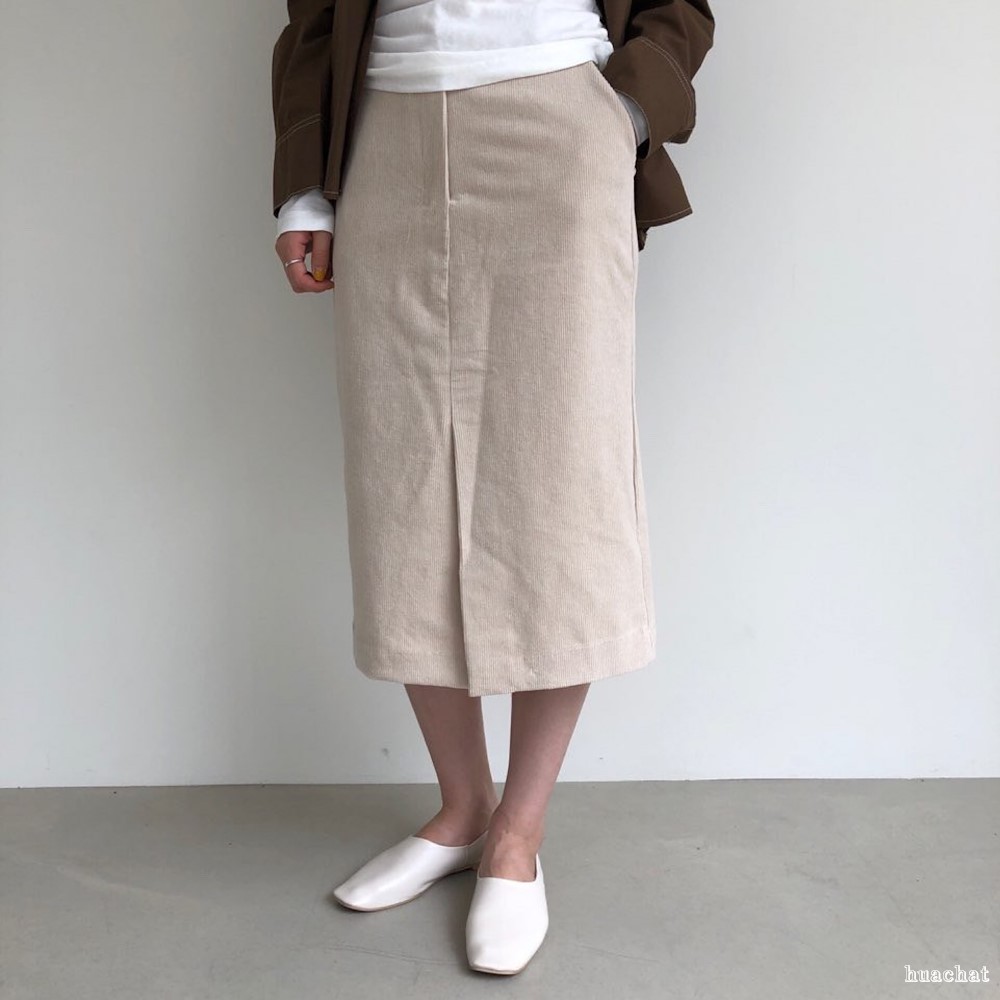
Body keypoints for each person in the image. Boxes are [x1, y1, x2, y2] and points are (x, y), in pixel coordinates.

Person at [270, 0, 714, 976]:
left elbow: (678, 7)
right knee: (402, 478)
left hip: (557, 114)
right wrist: (304, 187)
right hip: (383, 129)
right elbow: (313, 20)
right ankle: (462, 809)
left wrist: (620, 115)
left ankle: (519, 830)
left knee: (560, 476)